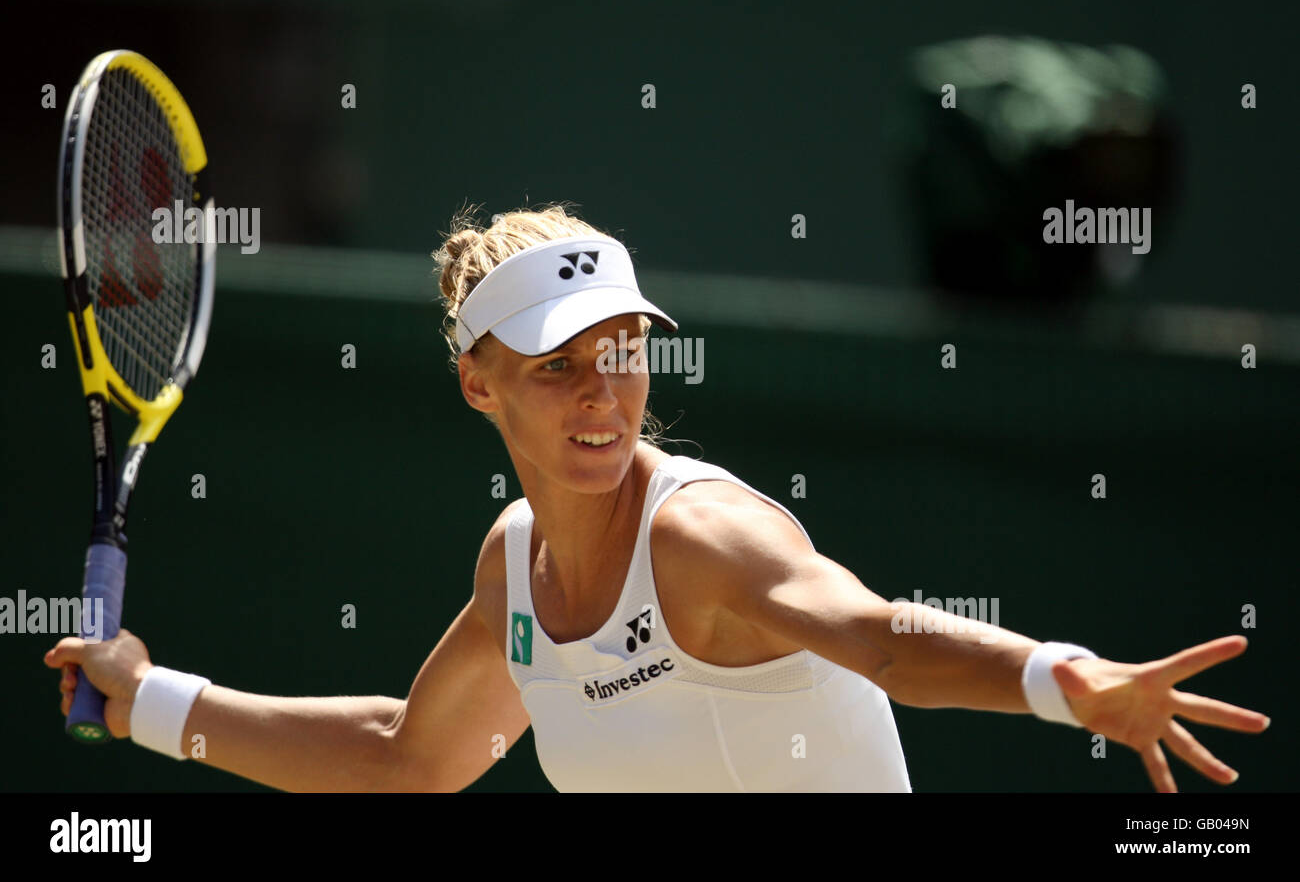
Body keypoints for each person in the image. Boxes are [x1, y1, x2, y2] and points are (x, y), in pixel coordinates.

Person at [45, 204, 1269, 792]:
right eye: (557, 363)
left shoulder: (703, 538)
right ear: (476, 383)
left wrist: (1068, 681)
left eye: (622, 350)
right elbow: (409, 753)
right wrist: (147, 697)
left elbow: (885, 637)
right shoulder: (512, 565)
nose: (601, 390)